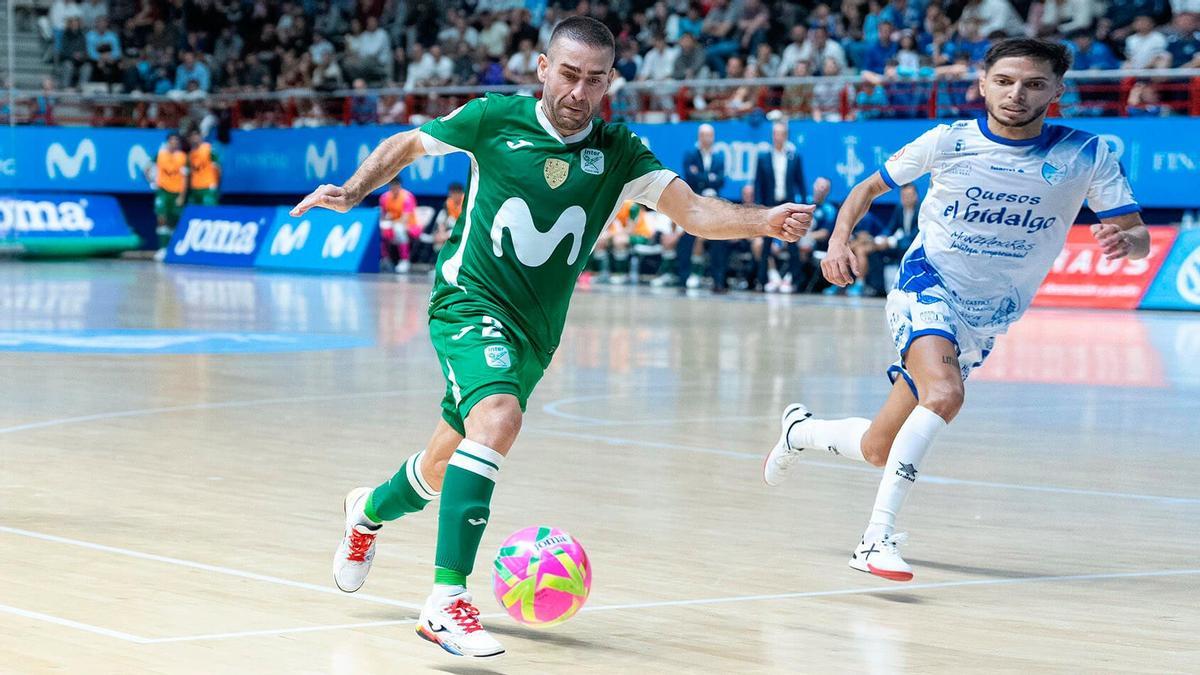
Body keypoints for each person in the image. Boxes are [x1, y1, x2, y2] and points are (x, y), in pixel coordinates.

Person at [292, 16, 811, 659]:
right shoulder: (493, 118)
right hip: (467, 302)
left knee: (436, 468)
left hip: (535, 336)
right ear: (543, 69)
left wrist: (765, 220)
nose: (578, 91)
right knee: (499, 419)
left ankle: (365, 511)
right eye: (568, 75)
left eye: (594, 80)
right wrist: (351, 192)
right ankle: (445, 600)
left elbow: (695, 210)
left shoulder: (620, 152)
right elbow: (409, 144)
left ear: (610, 83)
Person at [763, 38, 1148, 582]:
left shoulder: (1086, 154)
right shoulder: (948, 140)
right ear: (983, 84)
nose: (1018, 94)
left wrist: (1123, 242)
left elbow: (1138, 238)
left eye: (1035, 84)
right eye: (1006, 81)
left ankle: (798, 432)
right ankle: (875, 540)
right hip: (927, 286)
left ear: (1058, 91)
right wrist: (837, 242)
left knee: (878, 448)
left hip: (988, 318)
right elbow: (866, 189)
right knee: (945, 394)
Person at [753, 121, 807, 293]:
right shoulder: (763, 156)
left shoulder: (794, 156)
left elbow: (800, 182)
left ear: (786, 135)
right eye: (776, 133)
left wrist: (803, 205)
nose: (779, 136)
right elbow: (758, 183)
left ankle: (794, 279)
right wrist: (758, 207)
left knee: (792, 243)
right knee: (766, 243)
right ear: (772, 135)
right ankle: (763, 279)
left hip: (788, 204)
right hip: (769, 205)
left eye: (782, 133)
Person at [676, 124, 727, 291]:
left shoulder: (719, 157)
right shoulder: (690, 154)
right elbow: (690, 176)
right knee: (687, 240)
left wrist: (702, 177)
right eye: (704, 135)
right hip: (694, 202)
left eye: (710, 135)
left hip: (713, 204)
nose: (707, 138)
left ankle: (718, 281)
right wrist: (709, 178)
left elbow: (720, 180)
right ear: (699, 136)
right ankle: (682, 279)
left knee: (718, 241)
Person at [146, 132, 188, 244]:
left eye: (176, 142)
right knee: (161, 218)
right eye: (171, 141)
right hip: (163, 191)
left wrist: (182, 196)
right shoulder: (160, 154)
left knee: (174, 220)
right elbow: (147, 168)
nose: (173, 144)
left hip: (177, 192)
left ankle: (173, 246)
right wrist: (152, 181)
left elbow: (185, 178)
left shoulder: (183, 157)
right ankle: (162, 247)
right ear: (168, 142)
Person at [378, 178, 419, 273]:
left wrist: (391, 223)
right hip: (392, 224)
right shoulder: (384, 198)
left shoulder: (407, 197)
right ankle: (385, 259)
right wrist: (386, 223)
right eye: (391, 186)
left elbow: (405, 219)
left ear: (400, 186)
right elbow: (382, 216)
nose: (394, 188)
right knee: (380, 229)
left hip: (410, 225)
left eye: (396, 186)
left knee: (399, 229)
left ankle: (404, 260)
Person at [186, 130, 220, 205]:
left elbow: (217, 168)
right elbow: (189, 173)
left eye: (197, 136)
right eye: (192, 137)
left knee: (209, 212)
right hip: (195, 188)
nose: (195, 139)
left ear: (201, 137)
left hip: (208, 186)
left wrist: (216, 184)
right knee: (195, 212)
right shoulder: (190, 154)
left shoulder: (208, 149)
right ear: (189, 139)